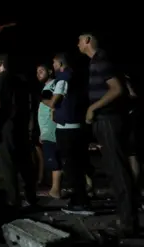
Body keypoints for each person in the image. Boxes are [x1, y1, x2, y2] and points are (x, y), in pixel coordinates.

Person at [78, 33, 139, 237]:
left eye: (79, 39)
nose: (77, 44)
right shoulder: (97, 61)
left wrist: (92, 108)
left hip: (108, 121)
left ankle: (128, 224)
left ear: (88, 40)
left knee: (118, 171)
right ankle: (125, 218)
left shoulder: (101, 61)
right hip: (106, 121)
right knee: (116, 170)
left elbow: (117, 89)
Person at [0, 54, 37, 208]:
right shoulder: (22, 80)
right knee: (25, 164)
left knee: (8, 165)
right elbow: (30, 103)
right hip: (21, 126)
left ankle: (14, 200)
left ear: (1, 63)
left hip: (6, 127)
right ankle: (31, 198)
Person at [46, 53, 93, 215]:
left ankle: (81, 202)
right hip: (76, 127)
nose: (52, 65)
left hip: (67, 129)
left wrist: (43, 100)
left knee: (71, 167)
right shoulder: (76, 77)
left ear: (60, 62)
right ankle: (79, 199)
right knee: (76, 165)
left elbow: (54, 101)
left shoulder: (64, 78)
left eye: (53, 62)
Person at [35, 63, 63, 199]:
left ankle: (55, 190)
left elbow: (54, 106)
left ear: (50, 71)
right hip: (46, 130)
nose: (38, 73)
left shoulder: (54, 86)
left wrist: (49, 127)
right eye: (37, 72)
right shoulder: (47, 87)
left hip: (52, 129)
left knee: (54, 159)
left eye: (41, 70)